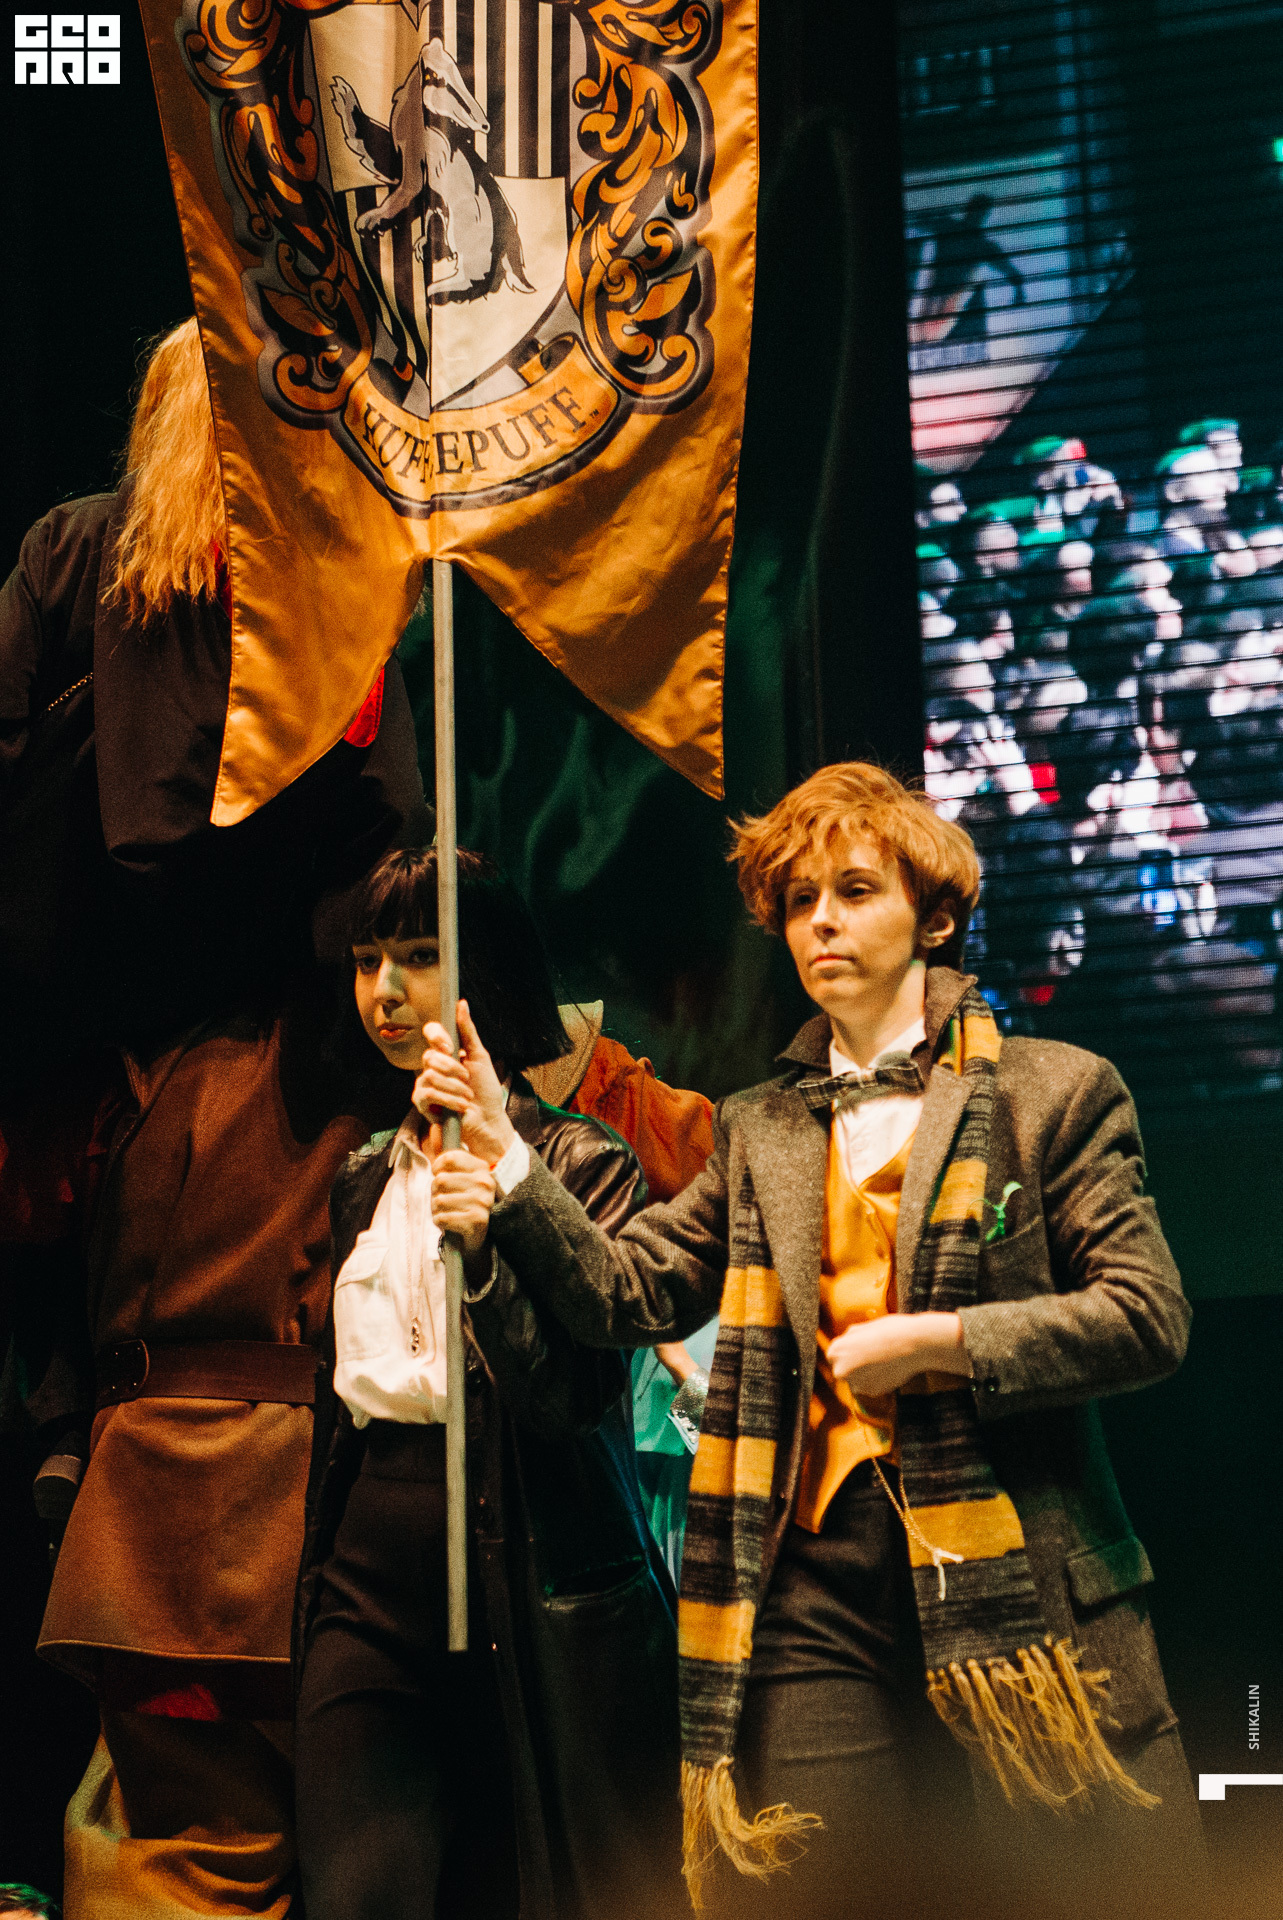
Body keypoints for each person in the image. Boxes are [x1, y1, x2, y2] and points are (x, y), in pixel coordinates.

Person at [420, 762, 1206, 1920]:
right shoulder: (760, 1128)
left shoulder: (1053, 1093)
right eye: (797, 901)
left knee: (1073, 1895)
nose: (820, 921)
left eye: (853, 890)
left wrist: (938, 1339)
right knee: (819, 1892)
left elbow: (1144, 1316)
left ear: (931, 918)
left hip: (1012, 1575)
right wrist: (507, 1157)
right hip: (808, 1583)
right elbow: (624, 1295)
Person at [293, 846, 682, 1920]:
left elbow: (571, 1401)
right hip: (370, 1578)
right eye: (367, 960)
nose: (383, 989)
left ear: (488, 969)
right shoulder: (362, 1175)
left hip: (532, 1561)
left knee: (524, 1886)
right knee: (359, 1891)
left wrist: (489, 1256)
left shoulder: (583, 1164)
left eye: (418, 956)